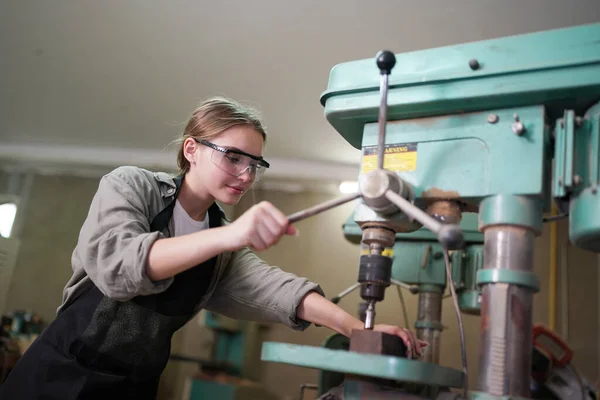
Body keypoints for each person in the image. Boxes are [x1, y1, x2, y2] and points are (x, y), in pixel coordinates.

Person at [0, 97, 425, 400]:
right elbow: (119, 268)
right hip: (55, 376)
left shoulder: (221, 248)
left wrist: (359, 331)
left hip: (133, 387)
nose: (245, 174)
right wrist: (233, 234)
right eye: (233, 157)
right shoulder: (131, 186)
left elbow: (277, 290)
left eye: (254, 164)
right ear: (192, 150)